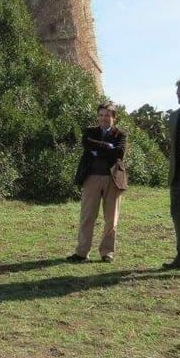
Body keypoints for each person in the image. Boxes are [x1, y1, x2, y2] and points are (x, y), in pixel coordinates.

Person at [68, 103, 128, 263]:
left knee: (111, 218)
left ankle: (107, 252)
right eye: (101, 115)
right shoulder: (90, 132)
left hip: (113, 180)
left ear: (114, 118)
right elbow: (86, 143)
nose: (103, 118)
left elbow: (119, 153)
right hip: (91, 178)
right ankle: (81, 252)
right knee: (87, 216)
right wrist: (107, 146)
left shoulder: (121, 134)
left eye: (107, 115)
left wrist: (97, 150)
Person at [162, 78, 180, 270]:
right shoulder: (174, 116)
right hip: (178, 174)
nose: (178, 93)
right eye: (177, 90)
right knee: (178, 215)